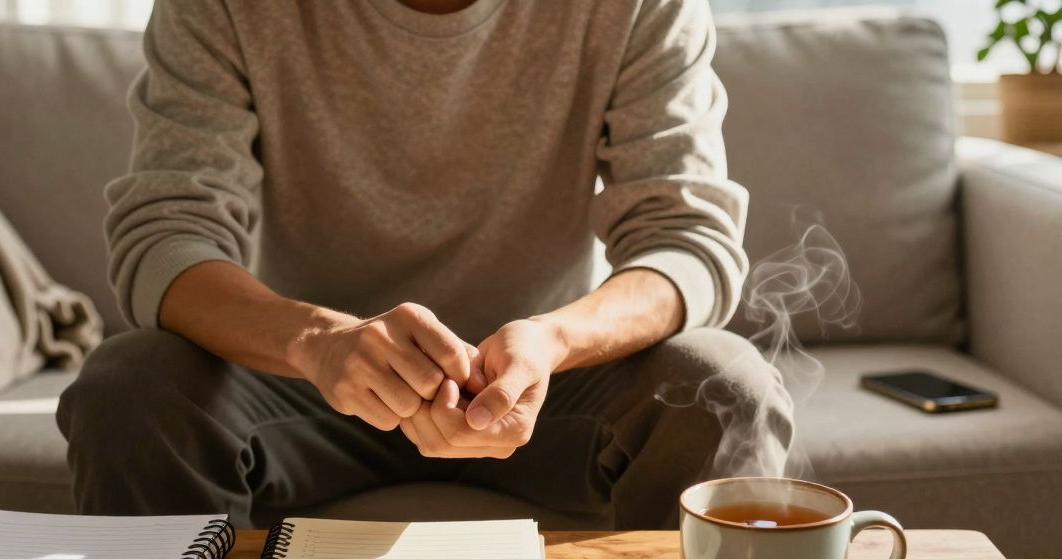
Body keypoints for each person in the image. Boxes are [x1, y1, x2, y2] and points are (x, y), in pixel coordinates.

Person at [58, 0, 792, 529]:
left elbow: (688, 239)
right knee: (130, 387)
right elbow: (166, 234)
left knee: (722, 383)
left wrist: (553, 342)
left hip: (546, 389)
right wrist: (316, 342)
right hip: (307, 387)